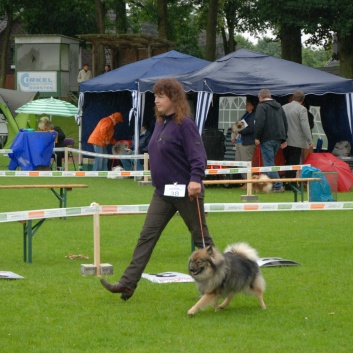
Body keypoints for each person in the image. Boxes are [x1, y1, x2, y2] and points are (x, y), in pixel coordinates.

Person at [100, 78, 215, 300]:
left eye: (161, 96)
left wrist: (195, 179)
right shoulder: (161, 123)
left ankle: (218, 283)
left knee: (202, 241)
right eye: (155, 96)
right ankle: (127, 283)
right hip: (163, 192)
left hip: (186, 192)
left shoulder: (185, 125)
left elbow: (198, 156)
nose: (156, 100)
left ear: (174, 99)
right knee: (146, 237)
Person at [254, 88, 288, 192]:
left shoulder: (261, 106)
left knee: (269, 163)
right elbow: (285, 122)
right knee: (270, 162)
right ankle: (271, 184)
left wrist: (257, 137)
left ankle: (278, 185)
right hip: (278, 138)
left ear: (260, 97)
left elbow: (259, 123)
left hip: (267, 138)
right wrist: (284, 139)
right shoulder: (279, 106)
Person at [282, 90, 313, 184]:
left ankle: (287, 181)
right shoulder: (302, 109)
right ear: (302, 100)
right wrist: (310, 140)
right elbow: (305, 126)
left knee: (287, 162)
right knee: (293, 163)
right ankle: (290, 183)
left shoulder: (283, 107)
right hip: (296, 141)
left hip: (284, 140)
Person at [234, 96, 258, 185]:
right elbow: (238, 125)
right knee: (238, 162)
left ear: (253, 105)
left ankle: (249, 183)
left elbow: (252, 128)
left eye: (248, 104)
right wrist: (234, 129)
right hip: (240, 142)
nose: (246, 105)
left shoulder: (254, 116)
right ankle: (245, 181)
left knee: (246, 163)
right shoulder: (246, 115)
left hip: (248, 143)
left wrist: (239, 130)